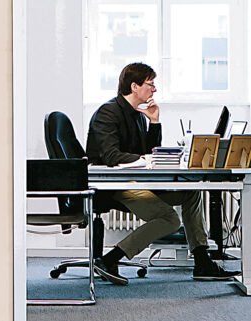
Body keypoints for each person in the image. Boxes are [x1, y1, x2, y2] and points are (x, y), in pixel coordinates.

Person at [85, 62, 239, 285]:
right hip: (117, 186)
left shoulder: (138, 114)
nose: (154, 89)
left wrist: (154, 122)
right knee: (169, 219)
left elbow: (148, 152)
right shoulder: (108, 113)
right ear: (135, 86)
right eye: (151, 84)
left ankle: (202, 261)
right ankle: (110, 258)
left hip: (136, 182)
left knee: (191, 193)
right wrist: (145, 160)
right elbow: (111, 156)